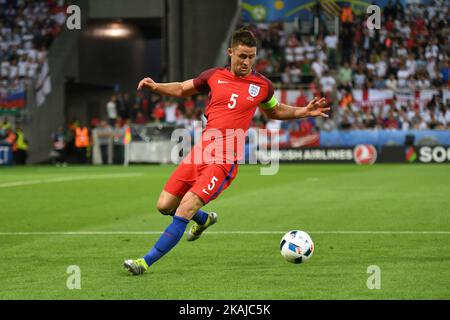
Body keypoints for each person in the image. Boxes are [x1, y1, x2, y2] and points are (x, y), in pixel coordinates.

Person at [123, 28, 330, 275]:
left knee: (184, 208)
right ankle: (204, 219)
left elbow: (274, 111)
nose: (247, 62)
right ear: (230, 52)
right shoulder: (213, 76)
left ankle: (144, 262)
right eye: (242, 56)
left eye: (252, 57)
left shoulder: (262, 85)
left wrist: (303, 111)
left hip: (223, 161)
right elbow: (181, 88)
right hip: (200, 153)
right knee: (164, 206)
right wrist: (156, 87)